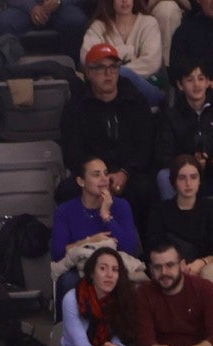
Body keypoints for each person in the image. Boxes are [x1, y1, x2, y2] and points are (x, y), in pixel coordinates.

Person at [60, 45, 158, 228]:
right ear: (88, 72)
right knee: (66, 191)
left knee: (147, 189)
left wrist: (125, 172)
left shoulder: (135, 101)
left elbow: (146, 145)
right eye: (100, 68)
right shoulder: (75, 107)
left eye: (113, 67)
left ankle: (144, 249)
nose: (108, 73)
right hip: (90, 175)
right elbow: (72, 151)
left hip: (129, 172)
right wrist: (98, 176)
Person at [158, 64, 213, 231]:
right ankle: (175, 230)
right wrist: (189, 164)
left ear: (208, 82)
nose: (196, 84)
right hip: (184, 177)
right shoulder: (171, 115)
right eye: (190, 79)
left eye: (201, 79)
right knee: (163, 176)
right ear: (180, 85)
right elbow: (164, 156)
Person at [51, 155, 142, 313]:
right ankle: (65, 331)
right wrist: (90, 240)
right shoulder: (65, 211)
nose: (104, 179)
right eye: (96, 174)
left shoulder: (121, 206)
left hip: (114, 267)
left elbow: (130, 248)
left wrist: (106, 215)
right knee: (67, 281)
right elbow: (57, 253)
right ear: (81, 181)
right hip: (79, 267)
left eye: (105, 173)